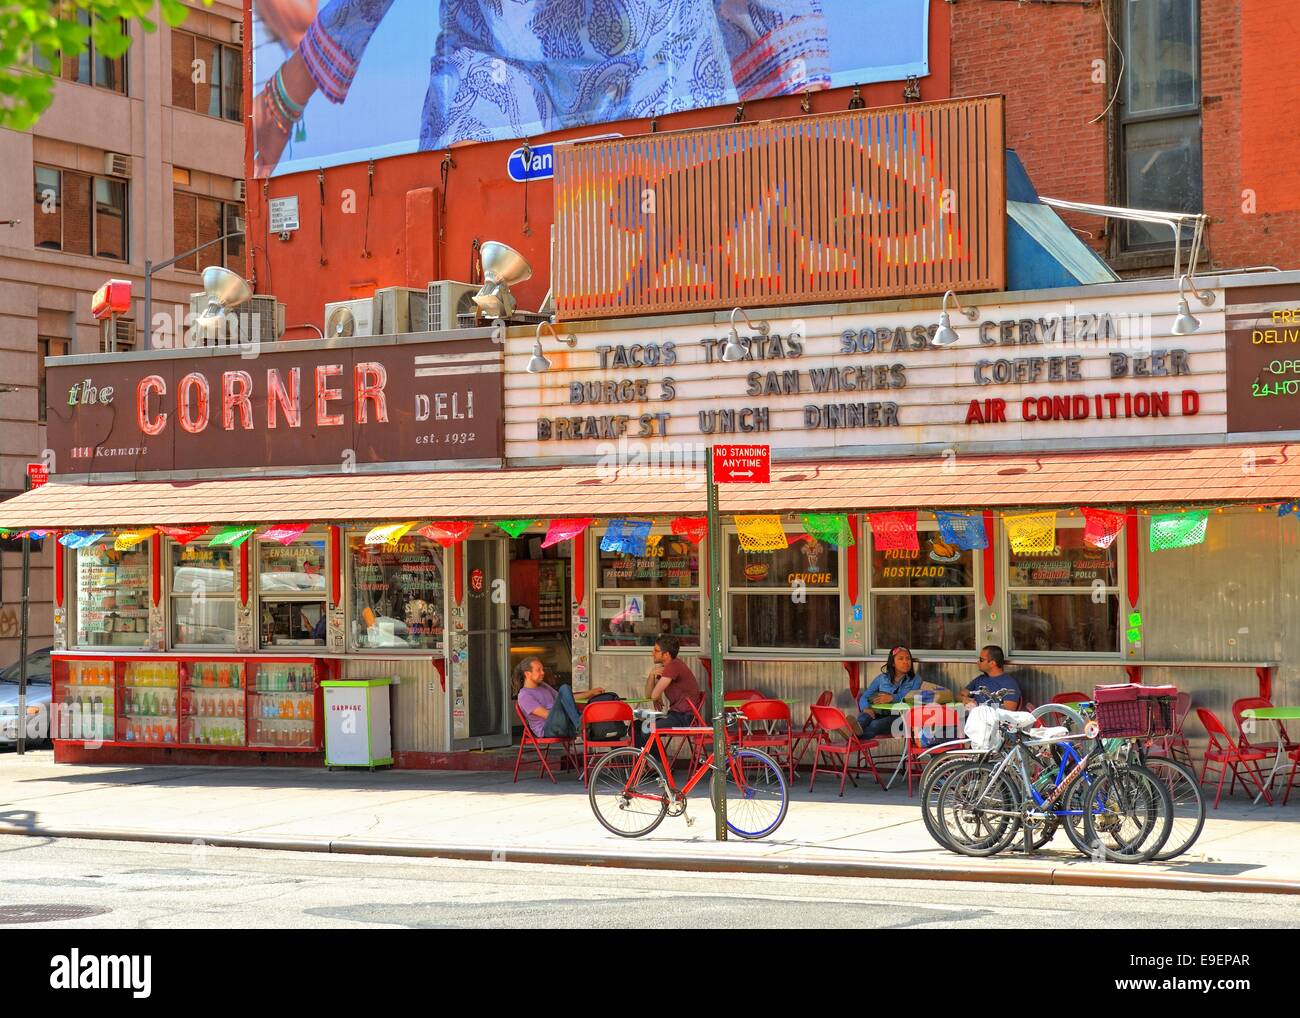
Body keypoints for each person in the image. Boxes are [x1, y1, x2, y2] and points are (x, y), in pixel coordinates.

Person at [253, 0, 831, 174]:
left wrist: (811, 128)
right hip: (495, 74)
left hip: (665, 76)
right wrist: (289, 91)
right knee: (473, 310)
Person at [514, 657, 604, 740]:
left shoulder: (543, 686)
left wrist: (590, 693)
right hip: (549, 728)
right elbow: (547, 715)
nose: (543, 672)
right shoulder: (524, 696)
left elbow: (566, 698)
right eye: (538, 670)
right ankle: (579, 726)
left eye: (542, 669)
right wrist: (569, 712)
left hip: (563, 724)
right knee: (564, 688)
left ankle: (585, 728)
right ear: (527, 674)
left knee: (593, 711)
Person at [639, 634, 702, 747]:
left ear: (666, 654)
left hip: (684, 718)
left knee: (647, 728)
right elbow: (649, 695)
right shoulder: (669, 667)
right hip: (676, 715)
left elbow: (653, 696)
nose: (652, 653)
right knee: (637, 726)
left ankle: (658, 762)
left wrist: (655, 695)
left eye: (656, 650)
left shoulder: (673, 666)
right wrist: (651, 675)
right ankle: (652, 761)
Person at [855, 646, 923, 739]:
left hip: (902, 719)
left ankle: (851, 737)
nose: (905, 662)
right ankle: (852, 733)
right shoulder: (882, 678)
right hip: (879, 714)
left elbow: (912, 698)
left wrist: (892, 698)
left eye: (908, 659)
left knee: (875, 725)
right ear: (893, 663)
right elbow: (865, 697)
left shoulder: (916, 680)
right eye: (901, 659)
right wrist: (866, 708)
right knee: (864, 717)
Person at [960, 645, 1021, 710]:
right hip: (973, 717)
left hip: (992, 719)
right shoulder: (979, 679)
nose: (977, 662)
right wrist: (965, 699)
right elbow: (960, 694)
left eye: (981, 660)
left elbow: (1008, 712)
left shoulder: (1009, 683)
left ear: (992, 663)